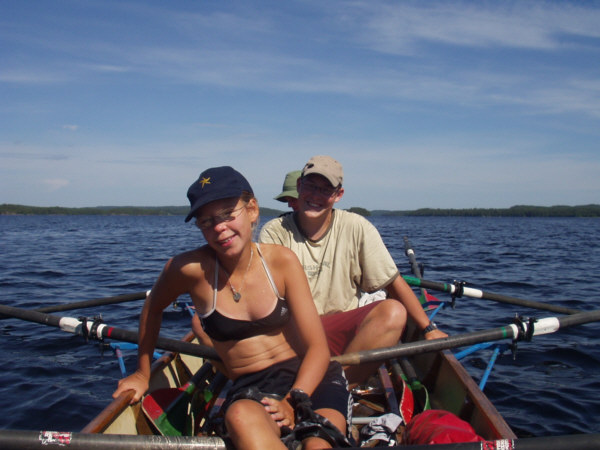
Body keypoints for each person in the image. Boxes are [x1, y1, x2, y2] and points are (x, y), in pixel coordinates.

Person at [113, 166, 350, 450]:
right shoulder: (187, 270)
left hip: (311, 378)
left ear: (252, 210)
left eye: (228, 214)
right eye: (206, 221)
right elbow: (152, 309)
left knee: (318, 446)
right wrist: (142, 373)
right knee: (238, 415)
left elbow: (318, 349)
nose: (219, 228)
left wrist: (292, 400)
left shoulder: (282, 262)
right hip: (252, 387)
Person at [259, 156, 448, 385]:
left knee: (394, 312)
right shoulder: (274, 232)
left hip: (338, 330)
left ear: (338, 195)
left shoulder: (357, 227)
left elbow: (394, 283)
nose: (316, 196)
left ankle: (337, 385)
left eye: (325, 189)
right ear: (299, 187)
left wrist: (428, 328)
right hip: (292, 334)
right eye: (310, 186)